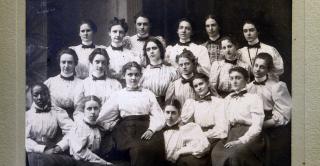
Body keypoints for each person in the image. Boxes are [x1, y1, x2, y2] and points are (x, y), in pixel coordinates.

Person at [97, 61, 166, 166]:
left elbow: (158, 115)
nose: (133, 78)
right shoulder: (118, 94)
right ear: (124, 76)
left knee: (155, 148)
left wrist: (152, 130)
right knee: (139, 149)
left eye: (136, 74)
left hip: (148, 128)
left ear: (140, 76)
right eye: (130, 74)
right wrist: (111, 126)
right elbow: (103, 117)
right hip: (127, 130)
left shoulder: (148, 93)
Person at [211, 67, 265, 166]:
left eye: (237, 78)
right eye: (231, 78)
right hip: (232, 133)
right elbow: (223, 121)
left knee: (234, 155)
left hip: (250, 135)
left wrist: (241, 141)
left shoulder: (254, 98)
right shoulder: (227, 99)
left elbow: (257, 126)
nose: (234, 81)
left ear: (247, 80)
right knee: (215, 153)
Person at [247, 53, 292, 166]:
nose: (257, 69)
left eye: (262, 67)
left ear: (268, 69)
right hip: (252, 124)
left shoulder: (276, 86)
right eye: (256, 65)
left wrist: (262, 125)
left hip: (270, 126)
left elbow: (284, 114)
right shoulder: (248, 87)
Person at [26, 83, 74, 166]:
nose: (39, 97)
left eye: (43, 94)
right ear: (32, 97)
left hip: (53, 149)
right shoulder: (26, 115)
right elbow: (22, 139)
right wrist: (42, 149)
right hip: (32, 150)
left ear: (48, 95)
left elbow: (73, 131)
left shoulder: (57, 112)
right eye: (36, 95)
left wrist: (60, 147)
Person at [75, 48, 122, 119]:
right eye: (97, 62)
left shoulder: (116, 84)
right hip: (89, 121)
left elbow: (118, 106)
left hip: (109, 121)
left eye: (103, 62)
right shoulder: (83, 84)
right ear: (91, 63)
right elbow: (78, 107)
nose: (100, 65)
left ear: (107, 64)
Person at [163, 99, 211, 166]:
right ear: (163, 112)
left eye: (173, 113)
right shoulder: (158, 129)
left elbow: (204, 146)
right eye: (167, 112)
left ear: (179, 113)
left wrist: (179, 152)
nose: (170, 116)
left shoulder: (187, 129)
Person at [181, 73, 226, 143]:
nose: (199, 88)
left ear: (208, 83)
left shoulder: (218, 102)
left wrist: (202, 135)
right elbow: (186, 123)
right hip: (197, 137)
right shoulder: (193, 103)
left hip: (214, 137)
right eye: (196, 86)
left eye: (201, 84)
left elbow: (221, 128)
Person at [69, 95, 113, 166]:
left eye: (96, 108)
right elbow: (80, 152)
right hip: (80, 161)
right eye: (89, 109)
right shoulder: (79, 127)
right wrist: (104, 163)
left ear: (99, 110)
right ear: (83, 110)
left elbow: (108, 127)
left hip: (95, 159)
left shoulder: (98, 124)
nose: (93, 112)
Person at [140, 37, 179, 108]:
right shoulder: (143, 73)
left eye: (154, 48)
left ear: (160, 49)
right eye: (148, 49)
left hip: (167, 107)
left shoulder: (171, 71)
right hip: (148, 107)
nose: (151, 51)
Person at [44, 48, 82, 119]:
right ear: (59, 63)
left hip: (74, 118)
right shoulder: (50, 82)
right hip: (53, 118)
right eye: (63, 62)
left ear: (75, 64)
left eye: (70, 62)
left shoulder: (81, 83)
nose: (66, 66)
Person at [106, 17, 143, 84]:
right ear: (109, 33)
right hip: (109, 86)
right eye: (114, 32)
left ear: (124, 34)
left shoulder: (131, 54)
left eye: (121, 32)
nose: (117, 35)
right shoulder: (105, 53)